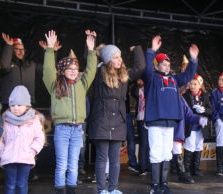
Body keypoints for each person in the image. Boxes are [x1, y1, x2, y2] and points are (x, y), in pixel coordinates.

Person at [43, 30, 97, 194]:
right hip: (62, 129)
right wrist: (50, 49)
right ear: (63, 70)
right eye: (69, 68)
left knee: (73, 162)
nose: (73, 71)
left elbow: (91, 70)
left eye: (75, 68)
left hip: (77, 129)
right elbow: (48, 71)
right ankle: (60, 190)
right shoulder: (55, 85)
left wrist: (91, 51)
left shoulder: (82, 84)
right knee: (62, 163)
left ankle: (71, 190)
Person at [143, 35, 199, 194]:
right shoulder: (152, 78)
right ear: (156, 66)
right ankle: (155, 186)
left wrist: (193, 60)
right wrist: (152, 51)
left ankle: (164, 184)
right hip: (155, 121)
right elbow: (147, 69)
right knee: (155, 152)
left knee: (166, 152)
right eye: (163, 64)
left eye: (168, 64)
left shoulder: (174, 80)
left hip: (169, 123)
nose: (167, 67)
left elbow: (188, 76)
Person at [87, 41, 145, 194]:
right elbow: (89, 68)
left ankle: (113, 189)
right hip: (101, 121)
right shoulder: (99, 74)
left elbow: (140, 68)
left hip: (118, 122)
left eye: (120, 57)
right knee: (102, 158)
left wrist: (137, 48)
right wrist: (91, 50)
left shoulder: (124, 76)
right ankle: (101, 189)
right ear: (107, 60)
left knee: (115, 159)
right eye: (116, 57)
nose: (120, 60)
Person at [0, 85, 45, 194]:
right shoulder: (5, 119)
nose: (15, 108)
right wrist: (1, 152)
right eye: (12, 105)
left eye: (19, 105)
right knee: (10, 185)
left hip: (26, 159)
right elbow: (0, 138)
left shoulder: (34, 120)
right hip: (9, 159)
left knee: (22, 184)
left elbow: (39, 138)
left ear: (27, 106)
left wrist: (32, 151)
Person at [172, 85, 207, 184]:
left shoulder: (181, 99)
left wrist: (199, 119)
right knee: (162, 155)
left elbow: (189, 115)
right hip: (164, 129)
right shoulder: (167, 97)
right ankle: (159, 181)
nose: (185, 89)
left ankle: (182, 174)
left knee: (177, 151)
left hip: (176, 131)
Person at [183, 74, 213, 177]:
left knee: (199, 146)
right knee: (190, 145)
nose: (192, 86)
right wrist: (193, 109)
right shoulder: (186, 95)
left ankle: (195, 168)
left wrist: (204, 110)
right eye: (191, 83)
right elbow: (184, 110)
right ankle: (187, 169)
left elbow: (210, 110)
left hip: (201, 126)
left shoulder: (205, 96)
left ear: (200, 85)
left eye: (195, 84)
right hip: (191, 125)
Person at [0, 33, 36, 112]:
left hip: (27, 103)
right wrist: (9, 46)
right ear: (12, 51)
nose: (20, 52)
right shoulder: (9, 64)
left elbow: (46, 68)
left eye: (22, 49)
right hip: (9, 104)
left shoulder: (30, 64)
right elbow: (5, 67)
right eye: (17, 49)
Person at [131, 78, 151, 176]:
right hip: (142, 117)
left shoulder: (151, 85)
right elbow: (134, 93)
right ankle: (142, 167)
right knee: (143, 143)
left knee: (150, 143)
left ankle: (148, 165)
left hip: (151, 117)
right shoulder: (138, 87)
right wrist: (138, 84)